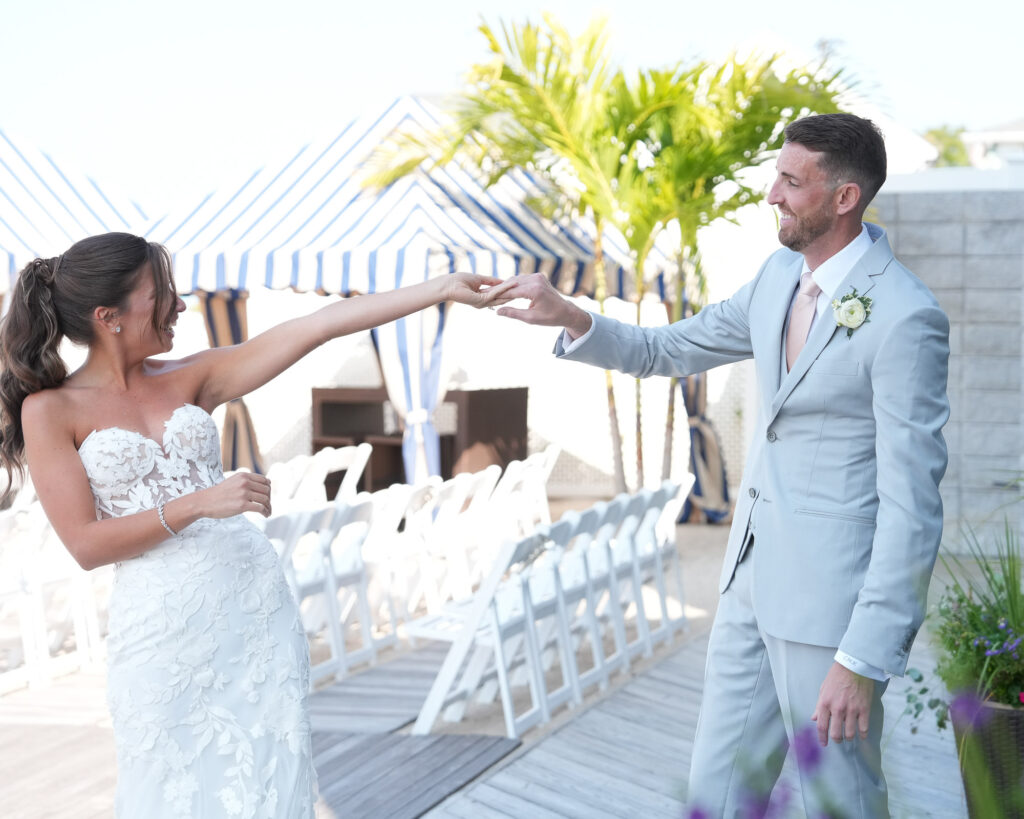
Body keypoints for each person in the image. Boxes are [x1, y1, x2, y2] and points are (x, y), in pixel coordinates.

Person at [494, 113, 950, 817]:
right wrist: (572, 317)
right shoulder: (774, 278)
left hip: (830, 611)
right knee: (718, 792)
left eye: (791, 181)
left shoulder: (903, 316)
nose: (772, 193)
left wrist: (863, 657)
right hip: (746, 588)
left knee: (841, 796)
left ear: (843, 198)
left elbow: (913, 506)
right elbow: (668, 348)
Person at [0, 232, 513, 818]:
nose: (180, 305)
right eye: (161, 293)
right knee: (170, 787)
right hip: (161, 632)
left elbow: (318, 325)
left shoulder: (192, 376)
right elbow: (86, 545)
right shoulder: (49, 410)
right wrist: (197, 503)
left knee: (267, 782)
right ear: (108, 317)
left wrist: (441, 290)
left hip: (253, 614)